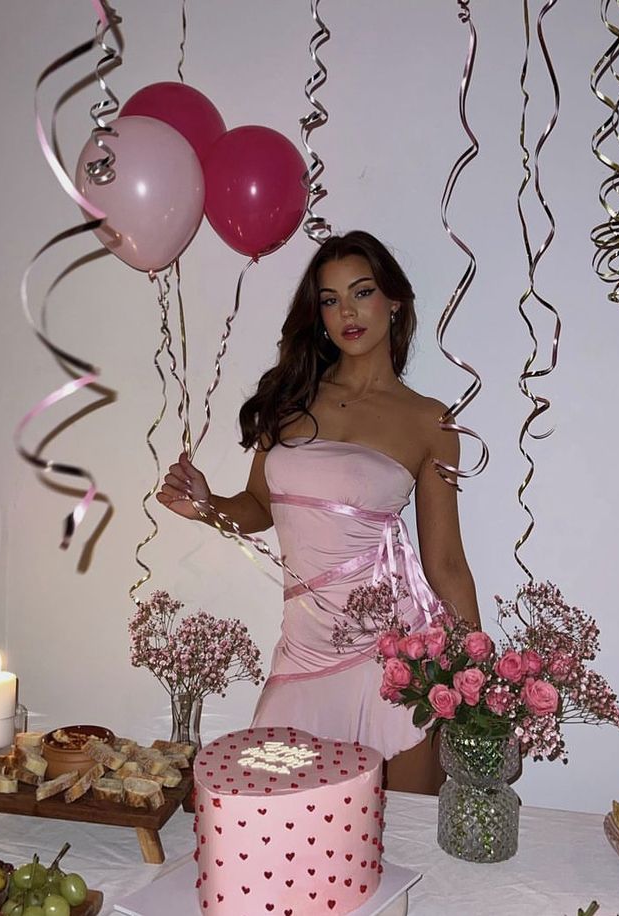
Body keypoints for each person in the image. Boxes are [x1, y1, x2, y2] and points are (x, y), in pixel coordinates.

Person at [157, 230, 480, 794]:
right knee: (274, 827)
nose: (346, 312)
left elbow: (446, 562)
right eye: (330, 299)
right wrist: (207, 506)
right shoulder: (289, 399)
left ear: (394, 301)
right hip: (303, 652)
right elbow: (259, 506)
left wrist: (483, 680)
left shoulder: (430, 421)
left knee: (402, 841)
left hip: (395, 659)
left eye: (361, 292)